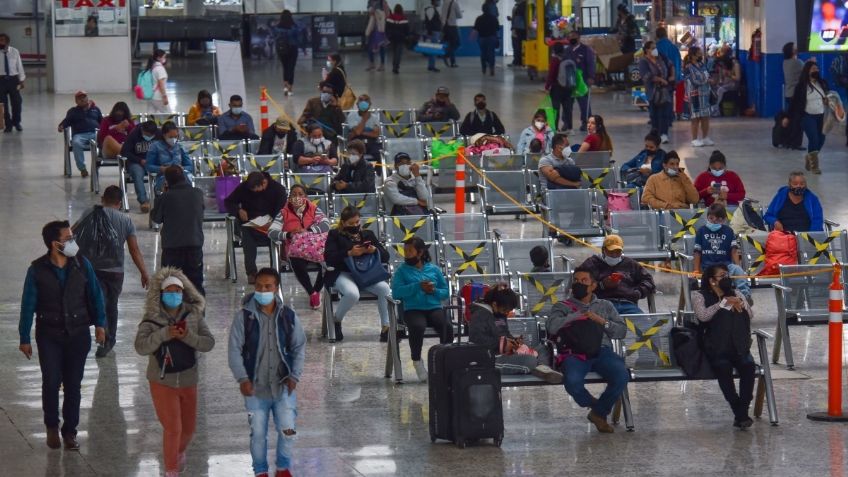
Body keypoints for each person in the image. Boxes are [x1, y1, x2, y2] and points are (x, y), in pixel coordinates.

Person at [18, 220, 107, 450]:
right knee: (51, 381)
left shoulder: (81, 264)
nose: (72, 242)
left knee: (73, 384)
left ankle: (70, 432)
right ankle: (51, 426)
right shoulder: (37, 270)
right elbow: (28, 305)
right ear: (54, 244)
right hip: (49, 335)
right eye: (68, 239)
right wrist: (24, 337)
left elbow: (95, 294)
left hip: (78, 334)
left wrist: (100, 324)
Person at [134, 269, 214, 477]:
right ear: (160, 294)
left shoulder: (193, 316)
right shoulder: (151, 319)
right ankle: (171, 470)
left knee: (188, 429)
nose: (174, 294)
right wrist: (164, 334)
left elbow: (208, 343)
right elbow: (141, 347)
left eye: (177, 290)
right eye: (169, 291)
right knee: (173, 429)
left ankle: (177, 453)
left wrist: (187, 336)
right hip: (162, 381)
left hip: (189, 379)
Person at [227, 267, 306, 477]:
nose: (263, 289)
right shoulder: (244, 318)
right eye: (259, 286)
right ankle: (260, 471)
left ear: (276, 288)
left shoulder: (288, 316)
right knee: (258, 434)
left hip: (283, 387)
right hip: (255, 388)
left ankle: (283, 468)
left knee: (288, 430)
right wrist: (243, 378)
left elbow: (299, 346)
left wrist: (294, 376)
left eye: (268, 286)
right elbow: (234, 350)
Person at [546, 266, 628, 433]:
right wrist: (575, 316)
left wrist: (602, 321)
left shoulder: (605, 305)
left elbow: (621, 331)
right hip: (574, 353)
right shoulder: (562, 306)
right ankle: (597, 406)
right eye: (576, 281)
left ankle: (597, 414)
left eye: (584, 281)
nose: (579, 284)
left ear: (593, 286)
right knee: (573, 382)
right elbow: (552, 327)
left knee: (621, 375)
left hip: (601, 350)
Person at [75, 186, 150, 357]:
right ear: (119, 202)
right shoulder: (126, 221)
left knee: (97, 302)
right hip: (115, 271)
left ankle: (103, 335)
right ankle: (109, 339)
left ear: (102, 199)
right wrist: (144, 272)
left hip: (92, 269)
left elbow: (72, 233)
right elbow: (134, 250)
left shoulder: (89, 213)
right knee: (111, 304)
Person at [692, 264, 756, 429]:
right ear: (712, 281)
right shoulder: (699, 296)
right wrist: (722, 303)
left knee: (748, 366)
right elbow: (703, 316)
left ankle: (741, 414)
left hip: (739, 346)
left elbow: (750, 315)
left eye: (727, 275)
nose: (726, 278)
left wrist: (739, 302)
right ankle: (740, 412)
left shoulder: (737, 293)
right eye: (722, 276)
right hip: (716, 347)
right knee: (723, 367)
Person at [323, 206, 391, 342]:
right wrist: (349, 253)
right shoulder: (335, 235)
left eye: (357, 222)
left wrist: (374, 250)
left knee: (385, 289)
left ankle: (386, 326)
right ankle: (336, 320)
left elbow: (386, 256)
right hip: (343, 272)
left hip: (365, 274)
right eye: (351, 223)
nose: (355, 225)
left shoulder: (368, 235)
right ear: (343, 223)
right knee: (353, 294)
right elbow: (329, 257)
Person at [469, 284, 563, 383]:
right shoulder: (479, 315)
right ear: (494, 304)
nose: (506, 313)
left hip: (507, 353)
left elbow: (505, 333)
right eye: (505, 310)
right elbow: (476, 342)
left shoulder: (499, 314)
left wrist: (515, 342)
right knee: (529, 361)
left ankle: (543, 369)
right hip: (491, 359)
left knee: (543, 348)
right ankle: (538, 366)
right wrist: (503, 344)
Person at [391, 237, 454, 382]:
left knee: (447, 326)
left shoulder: (434, 269)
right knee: (417, 326)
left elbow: (445, 291)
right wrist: (417, 286)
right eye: (404, 251)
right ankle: (417, 361)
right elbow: (396, 292)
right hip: (413, 309)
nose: (406, 254)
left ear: (420, 252)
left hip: (434, 307)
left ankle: (444, 359)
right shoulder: (402, 271)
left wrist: (434, 291)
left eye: (410, 251)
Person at [268, 184, 331, 310]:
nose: (297, 197)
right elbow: (271, 232)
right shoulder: (283, 213)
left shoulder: (314, 209)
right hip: (294, 250)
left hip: (315, 248)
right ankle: (311, 292)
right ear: (289, 197)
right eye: (294, 194)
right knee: (297, 264)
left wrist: (307, 231)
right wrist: (289, 234)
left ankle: (317, 290)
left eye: (300, 194)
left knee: (328, 263)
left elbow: (326, 224)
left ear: (306, 196)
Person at [225, 171, 287, 284]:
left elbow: (281, 212)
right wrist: (238, 210)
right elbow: (229, 202)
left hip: (271, 223)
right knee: (247, 234)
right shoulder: (245, 187)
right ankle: (251, 272)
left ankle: (275, 269)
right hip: (249, 223)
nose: (254, 193)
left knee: (275, 233)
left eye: (256, 190)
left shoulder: (278, 190)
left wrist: (271, 222)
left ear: (264, 183)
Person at [152, 166, 206, 295]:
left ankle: (172, 313)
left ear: (167, 181)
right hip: (194, 244)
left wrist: (160, 196)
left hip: (172, 247)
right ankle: (197, 313)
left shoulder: (166, 197)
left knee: (170, 283)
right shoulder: (198, 193)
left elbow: (156, 218)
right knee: (195, 283)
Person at [580, 235, 655, 315]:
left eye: (618, 251)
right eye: (611, 252)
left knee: (644, 324)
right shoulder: (592, 264)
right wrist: (602, 285)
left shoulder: (630, 264)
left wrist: (638, 292)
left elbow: (648, 281)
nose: (614, 255)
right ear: (603, 250)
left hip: (627, 304)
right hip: (601, 304)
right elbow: (579, 284)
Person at [693, 203, 752, 302]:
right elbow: (697, 252)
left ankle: (745, 297)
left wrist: (738, 266)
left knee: (737, 270)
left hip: (726, 266)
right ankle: (717, 301)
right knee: (717, 279)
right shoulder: (701, 231)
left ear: (724, 220)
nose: (714, 221)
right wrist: (696, 270)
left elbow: (734, 250)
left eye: (718, 219)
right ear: (707, 217)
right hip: (709, 267)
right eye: (711, 218)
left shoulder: (728, 231)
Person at [788, 60, 828, 174]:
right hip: (807, 116)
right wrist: (787, 117)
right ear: (807, 71)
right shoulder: (801, 86)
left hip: (821, 115)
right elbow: (794, 103)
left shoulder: (823, 83)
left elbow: (828, 96)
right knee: (814, 139)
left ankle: (809, 157)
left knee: (821, 139)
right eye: (813, 69)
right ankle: (814, 166)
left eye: (817, 68)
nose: (816, 70)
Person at [58, 91, 103, 178]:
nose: (82, 100)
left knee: (104, 139)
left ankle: (99, 162)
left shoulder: (95, 109)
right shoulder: (73, 111)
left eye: (84, 97)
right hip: (80, 135)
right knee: (76, 143)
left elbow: (102, 122)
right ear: (76, 101)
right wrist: (61, 126)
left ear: (87, 98)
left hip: (94, 133)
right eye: (80, 98)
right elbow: (66, 121)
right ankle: (82, 168)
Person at [560, 29, 596, 133]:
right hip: (569, 82)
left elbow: (591, 64)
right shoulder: (566, 51)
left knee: (584, 103)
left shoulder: (586, 50)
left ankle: (586, 122)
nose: (572, 39)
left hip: (582, 81)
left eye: (574, 36)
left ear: (579, 38)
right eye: (570, 37)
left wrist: (591, 77)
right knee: (567, 103)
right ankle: (566, 122)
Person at [145, 121, 195, 193]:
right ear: (164, 135)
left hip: (181, 175)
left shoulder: (180, 147)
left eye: (176, 137)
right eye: (171, 137)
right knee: (171, 187)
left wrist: (182, 168)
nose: (173, 139)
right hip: (164, 176)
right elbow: (148, 166)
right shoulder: (155, 146)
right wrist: (161, 169)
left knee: (187, 181)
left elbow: (190, 166)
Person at [639, 40, 673, 144]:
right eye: (652, 48)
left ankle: (664, 134)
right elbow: (646, 76)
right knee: (654, 114)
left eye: (655, 48)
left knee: (665, 113)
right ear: (647, 50)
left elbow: (671, 65)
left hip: (665, 90)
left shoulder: (661, 58)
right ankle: (655, 134)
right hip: (653, 91)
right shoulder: (644, 61)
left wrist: (672, 76)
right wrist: (659, 79)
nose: (655, 50)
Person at [120, 120, 158, 213]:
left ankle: (160, 199)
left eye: (150, 135)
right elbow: (125, 152)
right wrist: (139, 160)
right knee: (137, 174)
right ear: (142, 130)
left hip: (154, 162)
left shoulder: (159, 134)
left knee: (164, 172)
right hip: (136, 162)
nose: (148, 137)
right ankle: (143, 201)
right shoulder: (134, 134)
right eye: (147, 134)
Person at [684, 46, 714, 147]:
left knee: (705, 116)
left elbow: (707, 75)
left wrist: (709, 79)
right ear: (693, 55)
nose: (701, 55)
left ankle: (705, 137)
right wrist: (706, 80)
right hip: (695, 96)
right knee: (695, 118)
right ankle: (694, 139)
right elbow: (694, 81)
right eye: (699, 53)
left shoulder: (702, 65)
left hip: (705, 95)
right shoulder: (688, 68)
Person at [0, 33, 26, 132]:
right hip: (1, 81)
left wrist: (22, 80)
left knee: (17, 102)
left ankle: (17, 122)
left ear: (7, 41)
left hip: (13, 80)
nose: (0, 42)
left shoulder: (14, 51)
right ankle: (8, 125)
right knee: (3, 104)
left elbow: (19, 66)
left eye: (2, 40)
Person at [655, 27, 682, 119]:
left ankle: (662, 116)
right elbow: (678, 63)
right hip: (672, 76)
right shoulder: (673, 47)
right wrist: (677, 77)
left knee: (659, 97)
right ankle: (670, 115)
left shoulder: (656, 47)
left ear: (657, 36)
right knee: (670, 95)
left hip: (660, 77)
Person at [275, 10, 303, 96]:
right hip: (292, 48)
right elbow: (298, 36)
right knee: (291, 68)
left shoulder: (277, 27)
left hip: (281, 49)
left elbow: (275, 37)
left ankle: (285, 87)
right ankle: (290, 88)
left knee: (285, 67)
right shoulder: (294, 26)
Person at [346, 94, 381, 159]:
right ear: (357, 104)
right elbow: (357, 132)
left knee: (378, 153)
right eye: (361, 100)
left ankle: (377, 169)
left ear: (370, 104)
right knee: (355, 154)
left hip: (371, 142)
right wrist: (364, 119)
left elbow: (376, 134)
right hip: (356, 142)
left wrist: (361, 132)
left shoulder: (374, 118)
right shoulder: (352, 115)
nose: (363, 102)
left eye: (366, 100)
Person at [712, 45, 742, 116]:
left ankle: (716, 108)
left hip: (734, 85)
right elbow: (721, 78)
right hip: (727, 84)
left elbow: (738, 78)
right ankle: (715, 108)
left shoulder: (736, 65)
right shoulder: (725, 65)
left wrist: (729, 75)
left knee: (720, 90)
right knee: (715, 88)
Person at [473, 4, 500, 76]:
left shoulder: (479, 18)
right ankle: (492, 68)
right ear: (490, 9)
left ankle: (484, 68)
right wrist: (497, 38)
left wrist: (472, 37)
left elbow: (475, 29)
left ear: (482, 10)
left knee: (483, 53)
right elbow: (497, 29)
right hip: (492, 38)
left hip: (482, 38)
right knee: (491, 53)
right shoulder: (494, 18)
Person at [365, 0, 390, 72]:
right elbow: (369, 11)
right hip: (372, 26)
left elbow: (387, 13)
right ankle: (372, 63)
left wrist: (379, 12)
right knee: (370, 45)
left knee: (381, 45)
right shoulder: (370, 1)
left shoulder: (382, 1)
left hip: (380, 27)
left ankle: (382, 65)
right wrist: (372, 11)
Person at [386, 4, 410, 74]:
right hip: (401, 38)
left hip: (392, 37)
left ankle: (394, 66)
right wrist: (407, 36)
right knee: (398, 53)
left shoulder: (390, 17)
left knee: (394, 52)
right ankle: (396, 67)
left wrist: (388, 36)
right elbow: (407, 29)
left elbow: (387, 27)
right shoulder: (404, 18)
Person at [145, 49, 169, 113]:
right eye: (164, 57)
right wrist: (164, 96)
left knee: (151, 115)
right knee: (168, 115)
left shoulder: (152, 67)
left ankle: (149, 123)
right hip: (158, 96)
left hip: (151, 95)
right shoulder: (160, 69)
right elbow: (161, 84)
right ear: (158, 58)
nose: (165, 59)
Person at [422, 0, 443, 72]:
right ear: (435, 1)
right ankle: (432, 66)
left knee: (432, 49)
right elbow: (429, 21)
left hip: (434, 31)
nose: (440, 2)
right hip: (433, 32)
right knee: (433, 49)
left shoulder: (433, 9)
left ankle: (431, 65)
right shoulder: (431, 9)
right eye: (439, 1)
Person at [441, 0, 463, 68]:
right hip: (453, 26)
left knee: (451, 44)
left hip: (446, 27)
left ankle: (452, 62)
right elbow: (460, 15)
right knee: (457, 44)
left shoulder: (444, 3)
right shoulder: (454, 3)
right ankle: (446, 55)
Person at [783, 42, 803, 109]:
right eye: (794, 47)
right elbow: (807, 69)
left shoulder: (785, 62)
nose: (797, 48)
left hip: (788, 93)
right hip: (796, 94)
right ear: (792, 51)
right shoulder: (797, 62)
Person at [509, 1, 527, 67]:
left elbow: (520, 18)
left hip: (519, 29)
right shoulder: (522, 5)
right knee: (519, 46)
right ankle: (520, 61)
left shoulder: (521, 6)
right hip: (521, 28)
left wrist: (514, 28)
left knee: (517, 46)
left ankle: (517, 61)